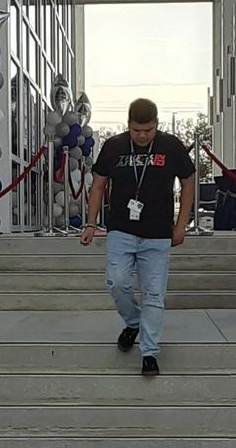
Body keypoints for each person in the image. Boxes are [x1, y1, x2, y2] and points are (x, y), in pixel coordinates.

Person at [82, 98, 196, 377]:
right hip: (121, 229)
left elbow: (189, 182)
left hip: (158, 233)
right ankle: (133, 322)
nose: (142, 135)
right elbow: (98, 186)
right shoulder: (114, 146)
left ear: (156, 124)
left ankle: (149, 352)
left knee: (154, 295)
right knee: (117, 282)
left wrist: (182, 224)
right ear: (128, 125)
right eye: (136, 130)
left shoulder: (171, 146)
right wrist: (90, 223)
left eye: (147, 130)